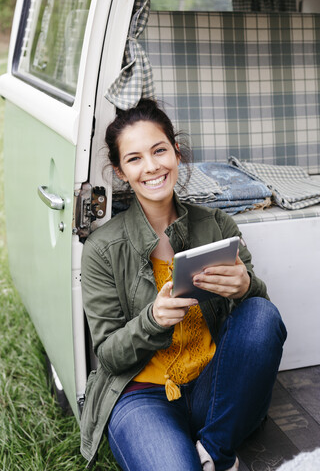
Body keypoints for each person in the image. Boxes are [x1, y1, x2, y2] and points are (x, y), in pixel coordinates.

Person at [80, 99, 287, 471]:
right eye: (134, 159)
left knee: (262, 312)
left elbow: (258, 331)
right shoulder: (101, 249)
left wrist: (245, 287)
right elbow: (109, 355)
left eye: (159, 150)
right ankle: (210, 448)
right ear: (120, 172)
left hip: (213, 387)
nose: (152, 167)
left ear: (176, 153)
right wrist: (152, 320)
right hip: (142, 395)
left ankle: (215, 451)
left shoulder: (217, 224)